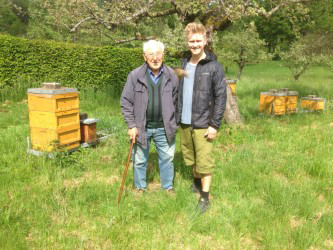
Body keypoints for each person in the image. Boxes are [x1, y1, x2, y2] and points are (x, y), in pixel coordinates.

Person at [177, 23, 227, 212]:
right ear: (187, 42)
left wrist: (214, 124)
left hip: (204, 123)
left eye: (198, 40)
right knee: (190, 157)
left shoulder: (214, 67)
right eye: (192, 41)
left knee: (204, 160)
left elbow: (221, 96)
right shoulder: (183, 64)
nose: (195, 44)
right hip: (185, 122)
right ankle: (196, 183)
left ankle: (205, 197)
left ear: (205, 41)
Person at [121, 40, 179, 193]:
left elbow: (177, 101)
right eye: (151, 54)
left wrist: (175, 122)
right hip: (141, 128)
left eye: (158, 53)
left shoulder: (172, 75)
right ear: (144, 57)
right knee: (139, 160)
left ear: (163, 55)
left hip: (165, 127)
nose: (155, 58)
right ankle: (140, 188)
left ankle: (167, 188)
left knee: (167, 159)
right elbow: (126, 101)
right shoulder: (135, 76)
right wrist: (131, 125)